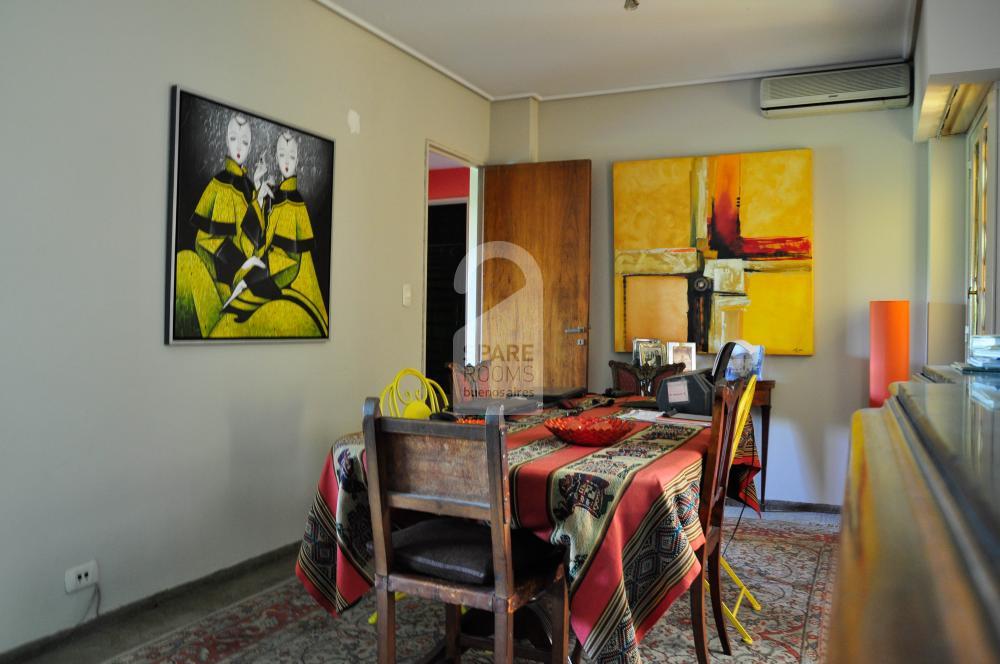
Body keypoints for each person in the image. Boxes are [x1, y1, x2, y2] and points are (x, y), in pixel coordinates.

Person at [213, 131, 328, 337]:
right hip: (267, 264)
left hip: (280, 271)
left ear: (298, 160)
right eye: (282, 155)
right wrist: (258, 194)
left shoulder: (296, 204)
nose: (287, 161)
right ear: (276, 157)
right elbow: (256, 239)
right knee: (237, 290)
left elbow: (290, 261)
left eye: (292, 156)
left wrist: (256, 272)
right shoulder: (272, 195)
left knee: (240, 291)